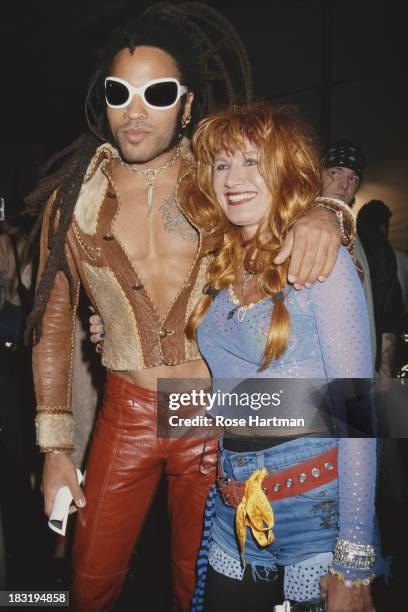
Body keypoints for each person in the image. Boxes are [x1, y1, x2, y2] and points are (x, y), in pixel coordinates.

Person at [26, 4, 354, 610]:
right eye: (119, 92)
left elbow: (288, 203)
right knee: (90, 578)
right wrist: (55, 451)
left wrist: (326, 213)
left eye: (157, 92)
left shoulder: (217, 179)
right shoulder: (74, 199)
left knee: (196, 582)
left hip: (210, 411)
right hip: (124, 409)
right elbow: (49, 316)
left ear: (187, 104)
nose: (135, 109)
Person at [181, 103, 382, 611]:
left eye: (253, 161)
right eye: (222, 165)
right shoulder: (221, 268)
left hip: (316, 507)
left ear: (285, 168)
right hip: (231, 499)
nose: (234, 178)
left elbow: (358, 412)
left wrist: (354, 558)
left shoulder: (320, 260)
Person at [321, 142, 403, 380]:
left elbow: (390, 306)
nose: (344, 184)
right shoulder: (292, 223)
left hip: (360, 375)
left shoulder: (371, 241)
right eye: (335, 172)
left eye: (353, 178)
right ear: (317, 173)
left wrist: (385, 372)